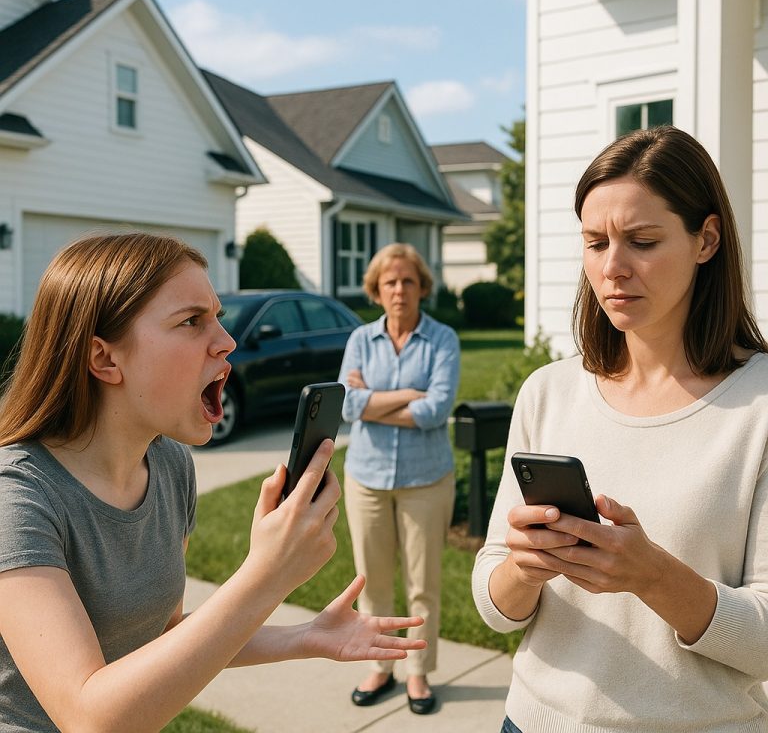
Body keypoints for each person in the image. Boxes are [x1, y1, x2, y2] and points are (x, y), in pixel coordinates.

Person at [0, 232, 427, 733]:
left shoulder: (170, 467)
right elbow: (90, 718)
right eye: (191, 321)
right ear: (105, 359)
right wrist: (265, 575)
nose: (227, 340)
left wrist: (305, 636)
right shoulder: (18, 496)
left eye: (217, 316)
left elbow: (168, 638)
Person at [472, 125, 768, 732]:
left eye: (642, 241)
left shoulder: (759, 406)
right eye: (595, 242)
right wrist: (523, 569)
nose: (612, 268)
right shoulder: (548, 392)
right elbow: (495, 606)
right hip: (532, 722)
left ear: (706, 239)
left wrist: (653, 577)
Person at [339, 242, 460, 715]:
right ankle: (381, 666)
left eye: (408, 281)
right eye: (390, 282)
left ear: (422, 287)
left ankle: (417, 673)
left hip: (425, 479)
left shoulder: (443, 339)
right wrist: (409, 393)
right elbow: (347, 406)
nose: (399, 290)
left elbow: (435, 411)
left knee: (422, 582)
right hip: (366, 478)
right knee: (372, 581)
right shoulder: (359, 340)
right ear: (376, 290)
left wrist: (375, 400)